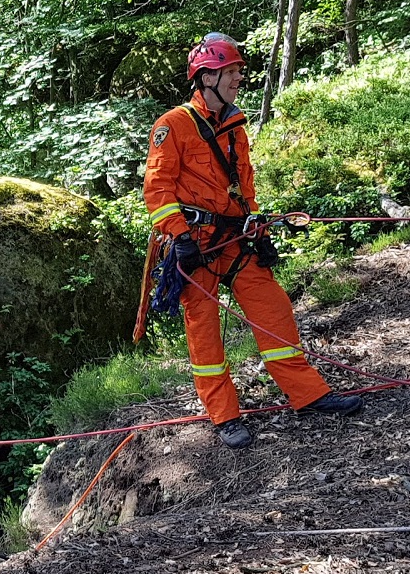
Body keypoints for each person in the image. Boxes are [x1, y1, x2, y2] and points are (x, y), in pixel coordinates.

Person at [143, 32, 363, 449]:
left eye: (238, 72)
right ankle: (224, 416)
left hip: (234, 240)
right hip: (195, 246)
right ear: (205, 77)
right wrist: (180, 237)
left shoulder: (234, 126)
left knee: (274, 308)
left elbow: (243, 186)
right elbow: (156, 190)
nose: (237, 79)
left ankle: (309, 395)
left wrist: (256, 223)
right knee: (204, 331)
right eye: (230, 72)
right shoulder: (172, 125)